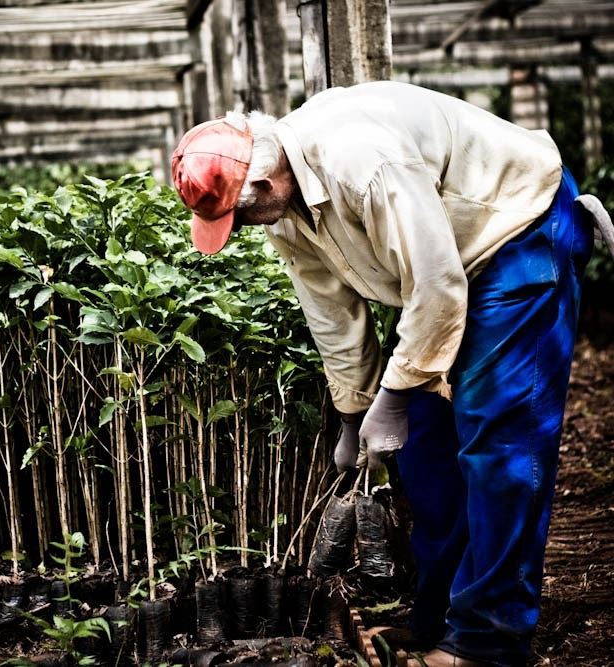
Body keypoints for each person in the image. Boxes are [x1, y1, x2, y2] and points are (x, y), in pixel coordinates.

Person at [170, 81, 596, 666]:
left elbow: (436, 284)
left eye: (235, 216)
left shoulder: (361, 162)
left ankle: (487, 642)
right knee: (422, 451)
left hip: (518, 231)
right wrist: (354, 413)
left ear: (264, 184)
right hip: (450, 266)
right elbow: (331, 312)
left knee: (498, 444)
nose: (239, 228)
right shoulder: (282, 206)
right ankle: (439, 619)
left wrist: (393, 394)